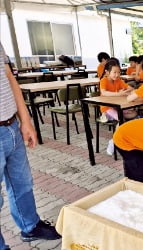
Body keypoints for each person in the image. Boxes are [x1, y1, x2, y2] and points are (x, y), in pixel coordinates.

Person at [0, 42, 61, 249]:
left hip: (11, 125)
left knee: (22, 183)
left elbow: (9, 77)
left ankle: (30, 226)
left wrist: (25, 120)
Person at [99, 59, 135, 155]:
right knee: (121, 119)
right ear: (107, 72)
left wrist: (127, 91)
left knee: (134, 114)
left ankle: (125, 138)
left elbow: (130, 88)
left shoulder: (118, 80)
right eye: (114, 72)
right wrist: (118, 94)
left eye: (119, 72)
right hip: (107, 109)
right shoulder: (104, 80)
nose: (117, 75)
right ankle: (113, 141)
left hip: (118, 107)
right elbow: (104, 93)